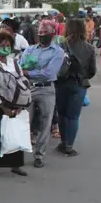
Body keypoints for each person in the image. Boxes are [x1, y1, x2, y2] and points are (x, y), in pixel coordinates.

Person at [20, 20, 65, 168]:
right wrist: (31, 72)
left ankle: (39, 155)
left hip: (46, 89)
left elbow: (49, 73)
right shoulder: (30, 49)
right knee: (24, 121)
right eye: (40, 32)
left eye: (45, 32)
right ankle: (18, 155)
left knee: (45, 123)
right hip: (28, 88)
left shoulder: (57, 52)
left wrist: (29, 72)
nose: (42, 34)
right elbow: (20, 66)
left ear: (52, 34)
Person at [0, 32, 28, 177]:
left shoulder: (14, 63)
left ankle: (15, 165)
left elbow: (22, 82)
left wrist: (21, 104)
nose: (5, 48)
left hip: (15, 104)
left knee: (14, 134)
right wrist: (2, 106)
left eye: (8, 45)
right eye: (2, 45)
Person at [55, 18, 96, 157]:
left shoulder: (61, 46)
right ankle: (69, 145)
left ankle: (63, 142)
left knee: (62, 114)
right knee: (73, 117)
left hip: (62, 83)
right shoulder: (89, 48)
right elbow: (92, 71)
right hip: (79, 84)